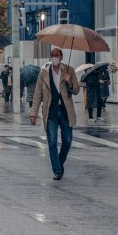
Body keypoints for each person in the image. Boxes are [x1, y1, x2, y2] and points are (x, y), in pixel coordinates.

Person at [30, 48, 80, 181]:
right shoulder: (44, 72)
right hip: (50, 111)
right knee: (51, 142)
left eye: (56, 55)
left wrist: (69, 81)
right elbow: (37, 94)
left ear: (61, 57)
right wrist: (33, 113)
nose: (54, 57)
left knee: (67, 141)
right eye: (52, 55)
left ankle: (59, 164)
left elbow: (76, 90)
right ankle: (57, 170)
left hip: (65, 111)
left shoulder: (69, 70)